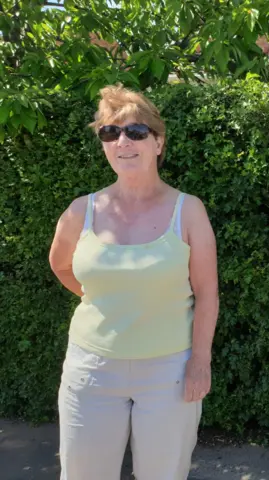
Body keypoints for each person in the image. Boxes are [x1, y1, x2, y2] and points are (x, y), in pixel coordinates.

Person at [48, 85, 219, 480]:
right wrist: (108, 300)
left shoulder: (188, 211)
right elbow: (60, 266)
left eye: (136, 132)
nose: (122, 141)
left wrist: (200, 362)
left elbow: (207, 293)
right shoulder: (81, 211)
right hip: (91, 371)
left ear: (158, 142)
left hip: (169, 374)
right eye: (110, 133)